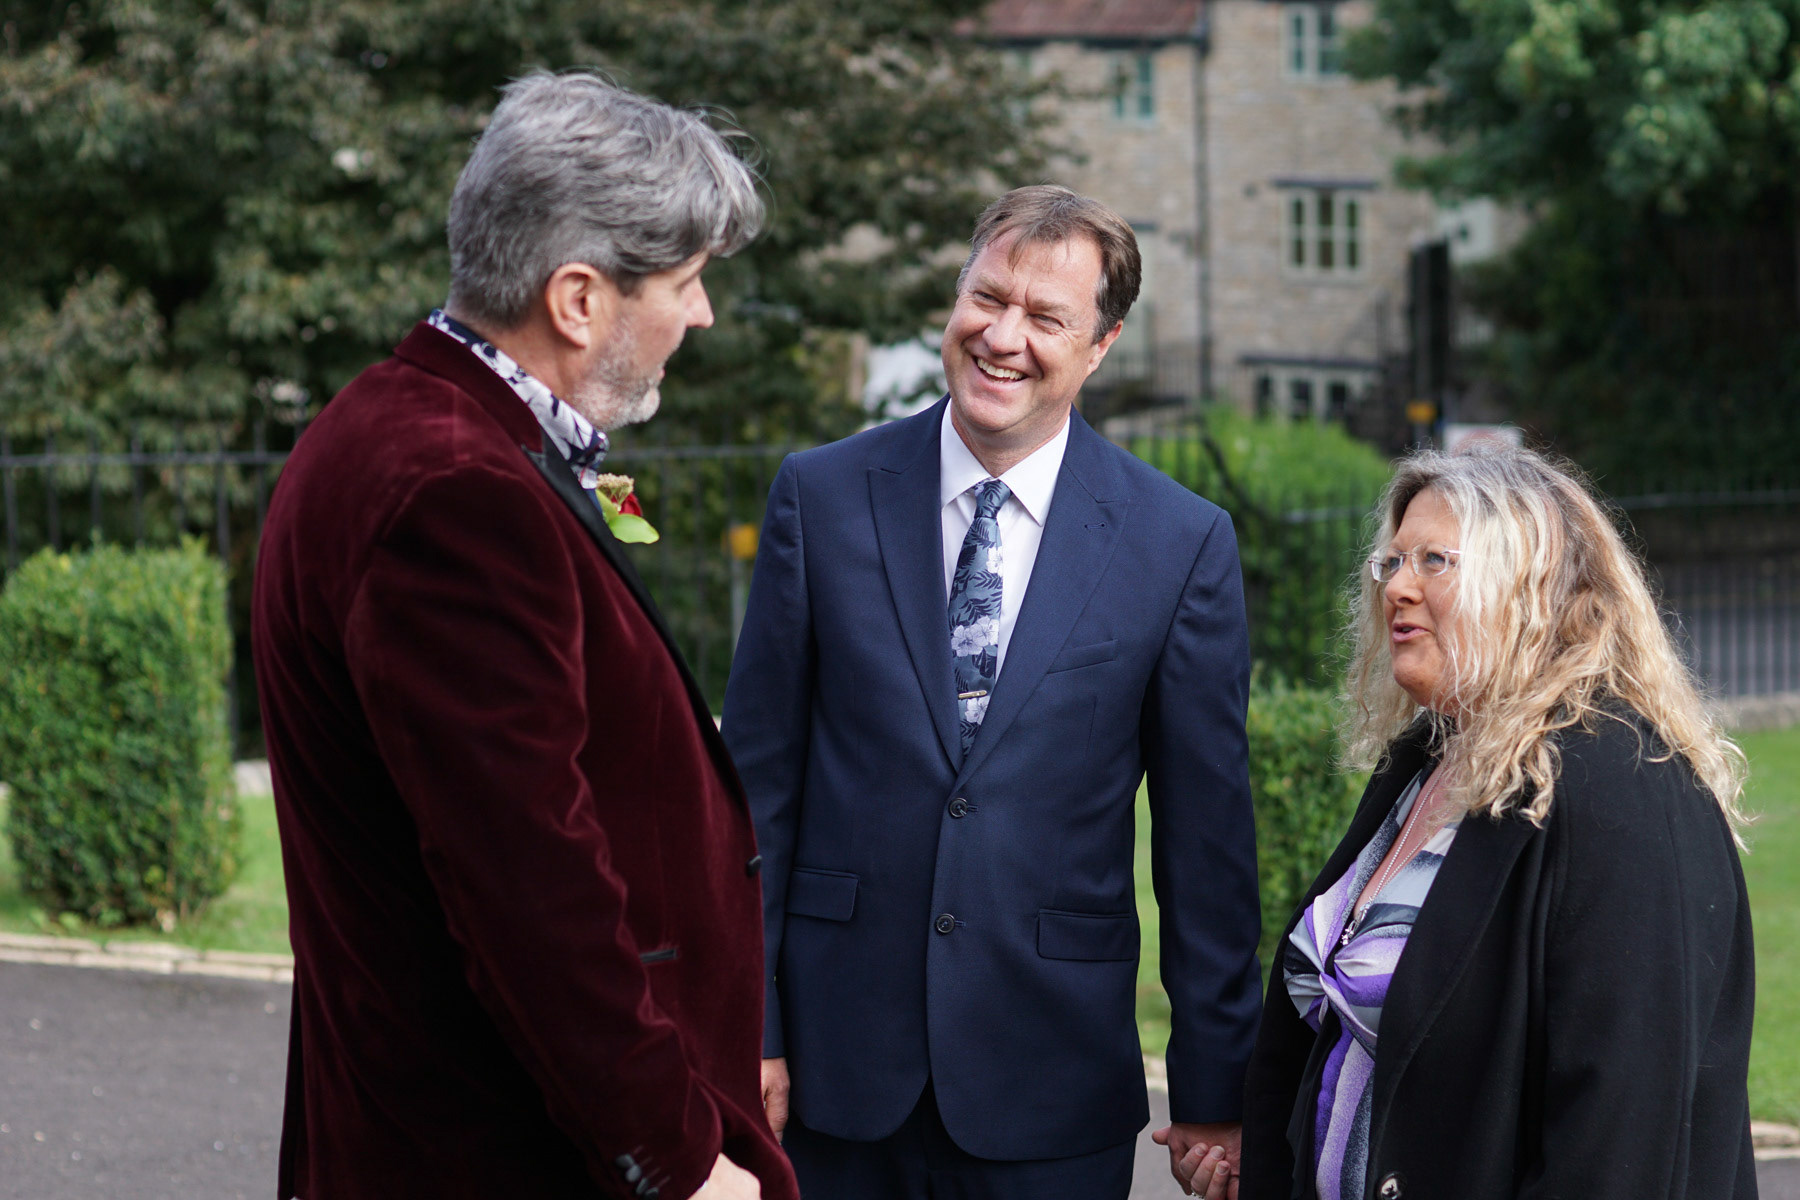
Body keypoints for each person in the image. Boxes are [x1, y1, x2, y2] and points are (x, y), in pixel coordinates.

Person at [252, 72, 796, 1200]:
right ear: (578, 299)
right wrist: (680, 1159)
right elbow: (528, 887)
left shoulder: (408, 427)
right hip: (497, 1152)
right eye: (686, 283)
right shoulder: (454, 489)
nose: (700, 315)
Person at [720, 184, 1263, 1199]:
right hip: (832, 1080)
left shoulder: (1178, 543)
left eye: (1046, 317)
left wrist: (1214, 1086)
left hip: (1052, 1086)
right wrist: (748, 1029)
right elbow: (755, 797)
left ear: (1099, 347)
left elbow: (1208, 844)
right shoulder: (821, 497)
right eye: (988, 297)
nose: (1003, 337)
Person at [1223, 445, 1756, 1200]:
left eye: (1434, 561)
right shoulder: (1428, 760)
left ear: (1531, 589)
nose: (1397, 586)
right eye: (1391, 562)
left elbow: (1617, 1137)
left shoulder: (1622, 786)